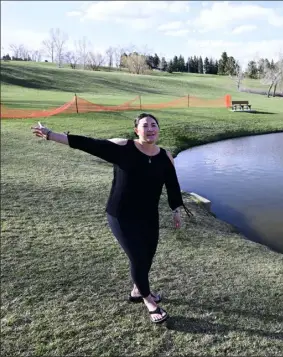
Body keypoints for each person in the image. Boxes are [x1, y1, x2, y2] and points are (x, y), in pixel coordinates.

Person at [31, 113, 192, 324]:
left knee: (148, 256)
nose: (150, 129)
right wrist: (51, 135)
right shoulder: (122, 148)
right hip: (121, 215)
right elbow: (88, 144)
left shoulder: (165, 156)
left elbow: (171, 184)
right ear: (137, 130)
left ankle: (137, 290)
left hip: (148, 216)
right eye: (145, 126)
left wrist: (175, 209)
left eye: (154, 125)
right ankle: (148, 301)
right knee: (138, 258)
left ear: (158, 129)